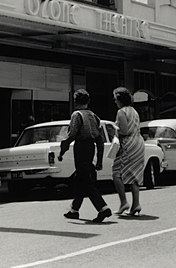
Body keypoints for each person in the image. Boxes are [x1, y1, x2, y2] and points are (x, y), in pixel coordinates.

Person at [58, 89, 112, 223]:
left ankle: (103, 208)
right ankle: (74, 210)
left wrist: (61, 152)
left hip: (81, 147)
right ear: (88, 102)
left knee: (86, 180)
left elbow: (72, 135)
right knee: (79, 179)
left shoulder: (77, 115)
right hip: (91, 148)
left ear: (75, 102)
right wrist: (99, 160)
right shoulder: (94, 116)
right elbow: (99, 140)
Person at [111, 86, 146, 216]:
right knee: (134, 173)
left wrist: (114, 128)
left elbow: (124, 131)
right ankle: (136, 203)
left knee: (116, 172)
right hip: (138, 141)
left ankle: (123, 202)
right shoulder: (134, 111)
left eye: (115, 99)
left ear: (120, 100)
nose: (114, 101)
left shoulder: (121, 112)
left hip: (128, 143)